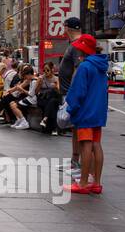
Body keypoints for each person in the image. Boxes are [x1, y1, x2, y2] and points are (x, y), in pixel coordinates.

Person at [64, 34, 109, 195]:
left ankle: (83, 183)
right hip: (98, 111)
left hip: (85, 112)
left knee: (85, 145)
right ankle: (96, 182)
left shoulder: (85, 67)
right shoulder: (101, 65)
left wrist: (70, 110)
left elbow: (77, 93)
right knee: (96, 144)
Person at [57, 17, 85, 180]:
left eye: (64, 27)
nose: (63, 30)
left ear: (68, 28)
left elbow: (78, 68)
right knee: (74, 129)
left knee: (79, 129)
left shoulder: (77, 45)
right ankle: (75, 162)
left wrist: (72, 94)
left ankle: (79, 165)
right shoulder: (73, 44)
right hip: (68, 92)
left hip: (71, 93)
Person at [37, 62, 62, 135]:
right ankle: (54, 129)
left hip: (53, 99)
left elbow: (60, 92)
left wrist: (56, 86)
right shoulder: (41, 78)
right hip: (43, 99)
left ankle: (45, 120)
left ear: (52, 70)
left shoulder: (56, 79)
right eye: (44, 70)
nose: (45, 72)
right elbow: (36, 92)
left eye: (47, 70)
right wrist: (39, 84)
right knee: (52, 103)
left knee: (52, 101)